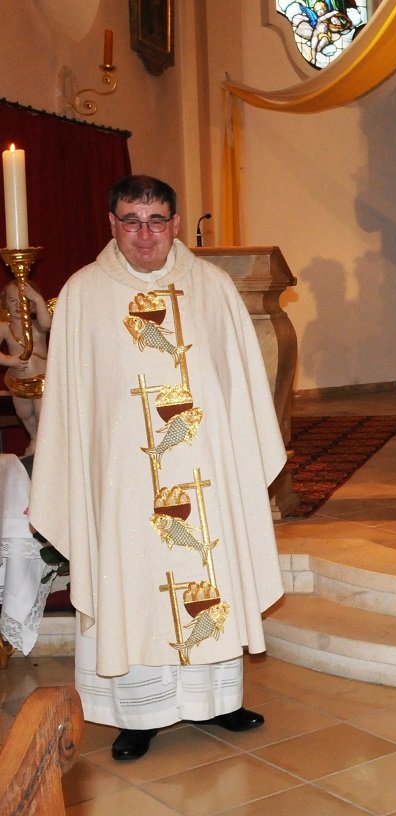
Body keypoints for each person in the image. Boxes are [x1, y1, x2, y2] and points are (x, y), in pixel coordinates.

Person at [29, 175, 286, 761]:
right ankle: (136, 713)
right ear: (111, 224)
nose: (144, 234)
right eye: (130, 221)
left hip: (204, 475)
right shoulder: (83, 294)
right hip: (123, 480)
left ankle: (217, 700)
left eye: (156, 221)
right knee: (132, 581)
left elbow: (240, 383)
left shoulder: (213, 288)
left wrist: (240, 459)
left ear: (175, 223)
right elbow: (71, 404)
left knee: (207, 578)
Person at [0, 278, 52, 453]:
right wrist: (9, 360)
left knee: (41, 413)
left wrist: (37, 299)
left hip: (41, 379)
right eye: (12, 300)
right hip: (19, 381)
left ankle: (46, 443)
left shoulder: (36, 324)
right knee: (25, 414)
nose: (17, 305)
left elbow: (48, 324)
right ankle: (34, 438)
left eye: (23, 299)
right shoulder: (5, 328)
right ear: (4, 304)